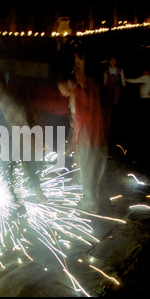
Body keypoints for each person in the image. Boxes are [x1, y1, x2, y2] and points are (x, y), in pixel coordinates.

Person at [0, 70, 48, 204]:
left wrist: (31, 141)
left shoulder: (7, 99)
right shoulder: (5, 97)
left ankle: (19, 197)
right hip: (22, 139)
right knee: (21, 167)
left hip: (25, 139)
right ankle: (30, 195)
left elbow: (22, 120)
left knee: (16, 167)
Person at [58, 72, 108, 214]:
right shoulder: (90, 91)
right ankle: (95, 196)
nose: (61, 93)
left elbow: (86, 117)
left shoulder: (81, 94)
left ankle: (90, 204)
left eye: (60, 88)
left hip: (89, 139)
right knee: (95, 169)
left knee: (89, 171)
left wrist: (78, 132)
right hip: (98, 137)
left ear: (67, 83)